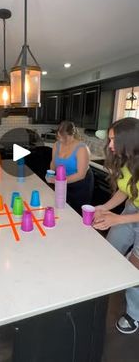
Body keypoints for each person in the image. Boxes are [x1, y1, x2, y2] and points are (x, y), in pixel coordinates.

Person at [93, 117, 139, 334]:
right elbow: (124, 190)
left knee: (135, 269)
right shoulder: (126, 159)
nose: (110, 145)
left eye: (114, 140)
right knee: (110, 248)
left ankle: (135, 314)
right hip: (133, 209)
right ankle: (102, 287)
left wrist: (117, 218)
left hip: (133, 216)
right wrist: (104, 207)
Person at [48, 121, 94, 214]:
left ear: (70, 135)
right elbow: (53, 162)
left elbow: (81, 175)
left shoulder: (82, 148)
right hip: (62, 181)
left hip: (81, 184)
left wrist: (59, 181)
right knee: (61, 208)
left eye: (62, 137)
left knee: (77, 212)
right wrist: (50, 173)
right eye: (58, 137)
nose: (60, 140)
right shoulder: (57, 145)